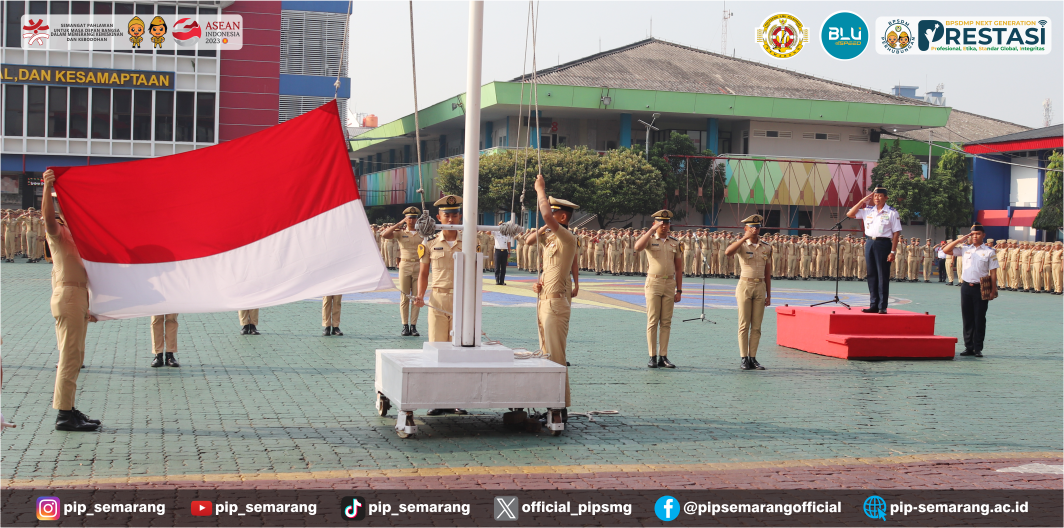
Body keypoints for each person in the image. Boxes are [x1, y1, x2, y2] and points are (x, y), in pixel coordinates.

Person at [41, 169, 100, 431]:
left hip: (78, 296)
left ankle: (69, 407)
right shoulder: (58, 233)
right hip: (68, 295)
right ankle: (64, 415)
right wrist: (47, 188)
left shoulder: (76, 235)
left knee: (75, 355)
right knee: (69, 356)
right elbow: (47, 219)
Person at [525, 175, 579, 421]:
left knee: (556, 357)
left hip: (556, 305)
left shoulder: (568, 239)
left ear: (562, 217)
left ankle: (559, 407)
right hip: (545, 300)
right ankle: (550, 403)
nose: (550, 217)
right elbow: (528, 240)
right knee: (545, 354)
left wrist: (540, 190)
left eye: (554, 214)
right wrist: (541, 282)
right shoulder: (551, 240)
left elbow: (546, 216)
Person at [413, 195, 468, 416]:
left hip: (463, 300)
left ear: (460, 216)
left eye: (455, 214)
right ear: (439, 217)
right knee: (437, 349)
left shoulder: (472, 241)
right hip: (438, 299)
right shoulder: (429, 243)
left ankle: (456, 399)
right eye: (447, 215)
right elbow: (424, 274)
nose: (452, 218)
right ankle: (438, 399)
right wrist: (419, 295)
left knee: (460, 350)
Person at [634, 210, 683, 369]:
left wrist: (679, 290)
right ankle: (652, 356)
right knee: (653, 320)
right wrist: (650, 231)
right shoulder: (650, 239)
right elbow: (637, 247)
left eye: (666, 223)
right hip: (653, 282)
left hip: (669, 284)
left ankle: (663, 356)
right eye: (661, 223)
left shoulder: (674, 243)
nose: (664, 226)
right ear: (655, 224)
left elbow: (678, 268)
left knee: (666, 322)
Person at [942, 224, 998, 357]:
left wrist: (992, 291)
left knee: (979, 318)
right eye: (972, 234)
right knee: (967, 318)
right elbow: (945, 250)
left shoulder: (990, 251)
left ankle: (978, 348)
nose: (975, 236)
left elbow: (993, 273)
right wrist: (961, 239)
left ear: (983, 235)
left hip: (981, 287)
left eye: (978, 233)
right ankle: (969, 347)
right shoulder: (965, 249)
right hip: (966, 287)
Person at [725, 214, 772, 370]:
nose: (755, 229)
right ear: (746, 228)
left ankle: (753, 357)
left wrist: (769, 294)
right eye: (752, 227)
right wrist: (743, 238)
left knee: (757, 326)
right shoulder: (742, 246)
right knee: (744, 324)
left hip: (760, 287)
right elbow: (728, 252)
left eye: (757, 227)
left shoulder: (766, 247)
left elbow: (767, 272)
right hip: (745, 285)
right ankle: (744, 358)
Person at [847, 187, 901, 314]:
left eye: (880, 196)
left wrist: (892, 252)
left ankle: (882, 306)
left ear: (886, 198)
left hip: (883, 244)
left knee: (882, 275)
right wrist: (862, 201)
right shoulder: (868, 210)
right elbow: (850, 214)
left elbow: (896, 233)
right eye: (875, 196)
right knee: (871, 275)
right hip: (870, 242)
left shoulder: (892, 212)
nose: (877, 198)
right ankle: (873, 305)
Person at [380, 207, 424, 336]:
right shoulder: (400, 232)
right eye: (409, 217)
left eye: (414, 217)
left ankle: (414, 326)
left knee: (417, 297)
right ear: (406, 218)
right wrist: (399, 224)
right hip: (404, 264)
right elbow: (384, 235)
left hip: (418, 264)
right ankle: (405, 325)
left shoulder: (422, 233)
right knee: (405, 296)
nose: (412, 220)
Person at [493, 220, 512, 286]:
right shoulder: (495, 232)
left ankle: (502, 281)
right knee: (497, 267)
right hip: (498, 251)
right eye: (500, 225)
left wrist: (509, 252)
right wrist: (496, 228)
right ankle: (497, 280)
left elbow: (508, 244)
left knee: (503, 267)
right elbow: (488, 232)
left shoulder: (507, 233)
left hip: (504, 251)